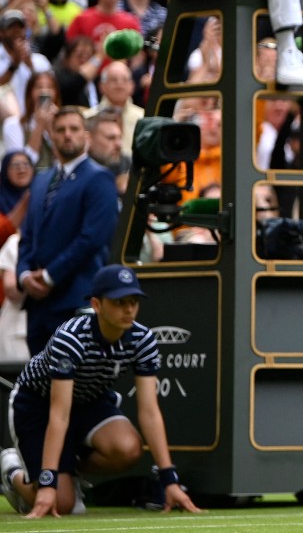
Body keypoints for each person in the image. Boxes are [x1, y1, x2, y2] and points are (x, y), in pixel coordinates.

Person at [0, 264, 202, 517]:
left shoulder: (143, 340)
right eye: (119, 302)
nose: (128, 310)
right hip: (38, 405)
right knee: (62, 504)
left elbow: (149, 412)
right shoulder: (71, 339)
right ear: (97, 304)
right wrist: (49, 483)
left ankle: (66, 472)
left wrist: (169, 480)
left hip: (89, 400)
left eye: (133, 301)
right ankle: (13, 473)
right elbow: (59, 413)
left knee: (128, 448)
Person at [16, 107, 118, 353]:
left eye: (74, 129)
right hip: (38, 306)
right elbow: (27, 235)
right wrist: (24, 275)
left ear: (86, 136)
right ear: (51, 136)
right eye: (60, 130)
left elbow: (92, 238)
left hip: (76, 300)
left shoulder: (99, 178)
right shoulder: (41, 180)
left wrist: (50, 275)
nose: (67, 135)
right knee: (39, 386)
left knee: (74, 385)